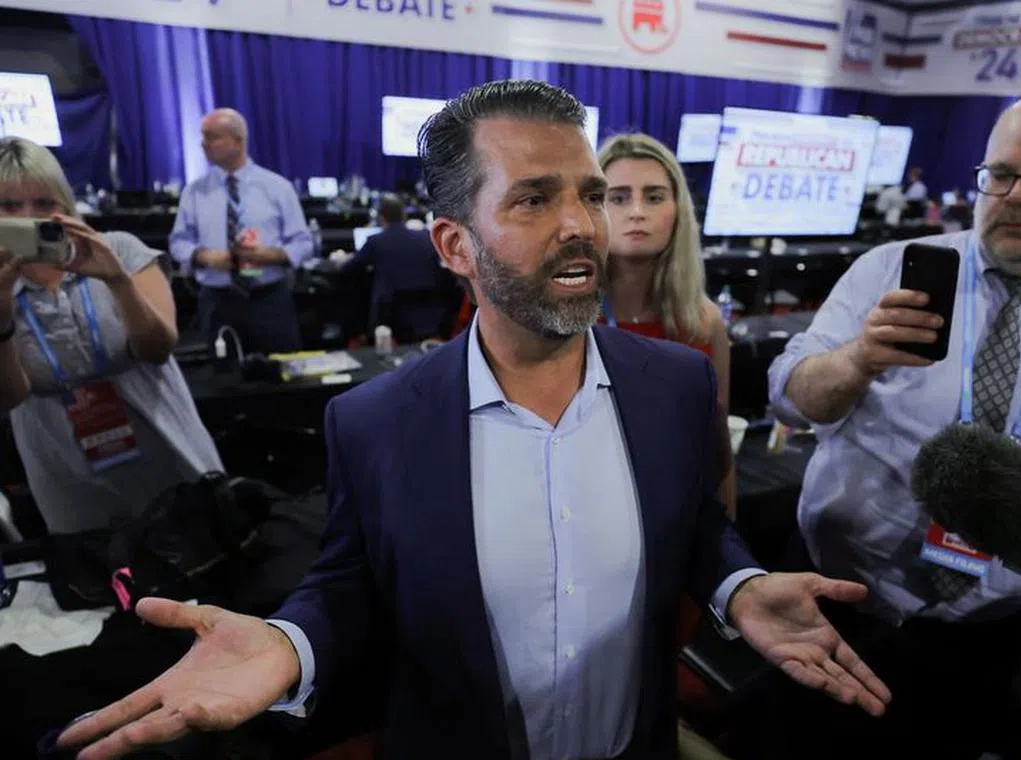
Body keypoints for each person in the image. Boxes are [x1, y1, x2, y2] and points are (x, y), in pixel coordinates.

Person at [57, 80, 891, 760]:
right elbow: (350, 584)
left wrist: (736, 584)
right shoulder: (374, 421)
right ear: (454, 246)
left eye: (587, 195)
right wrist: (292, 646)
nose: (580, 226)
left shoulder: (674, 384)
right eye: (533, 199)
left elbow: (697, 525)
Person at [753, 85, 1021, 757]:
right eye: (1001, 174)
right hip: (836, 605)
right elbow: (789, 398)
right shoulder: (887, 271)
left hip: (986, 640)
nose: (1016, 194)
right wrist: (858, 359)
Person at [0, 137, 223, 534]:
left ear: (64, 204)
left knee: (200, 553)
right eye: (10, 207)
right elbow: (10, 394)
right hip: (67, 471)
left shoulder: (117, 249)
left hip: (161, 444)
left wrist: (117, 279)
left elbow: (158, 348)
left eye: (43, 203)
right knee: (103, 584)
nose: (30, 217)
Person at [597, 132, 736, 520]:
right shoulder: (567, 320)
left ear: (677, 210)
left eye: (654, 197)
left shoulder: (703, 322)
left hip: (678, 515)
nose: (637, 211)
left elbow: (717, 447)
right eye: (618, 197)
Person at [169, 108, 313, 354]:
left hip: (269, 299)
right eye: (203, 137)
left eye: (212, 137)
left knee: (281, 377)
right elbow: (178, 243)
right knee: (223, 379)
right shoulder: (194, 192)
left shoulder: (278, 187)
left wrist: (272, 255)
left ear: (238, 141)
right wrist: (203, 257)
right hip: (217, 300)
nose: (203, 144)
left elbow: (303, 242)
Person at [337, 192, 459, 341]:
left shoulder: (376, 241)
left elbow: (347, 269)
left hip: (391, 319)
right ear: (403, 216)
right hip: (433, 315)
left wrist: (340, 259)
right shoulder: (426, 237)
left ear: (381, 217)